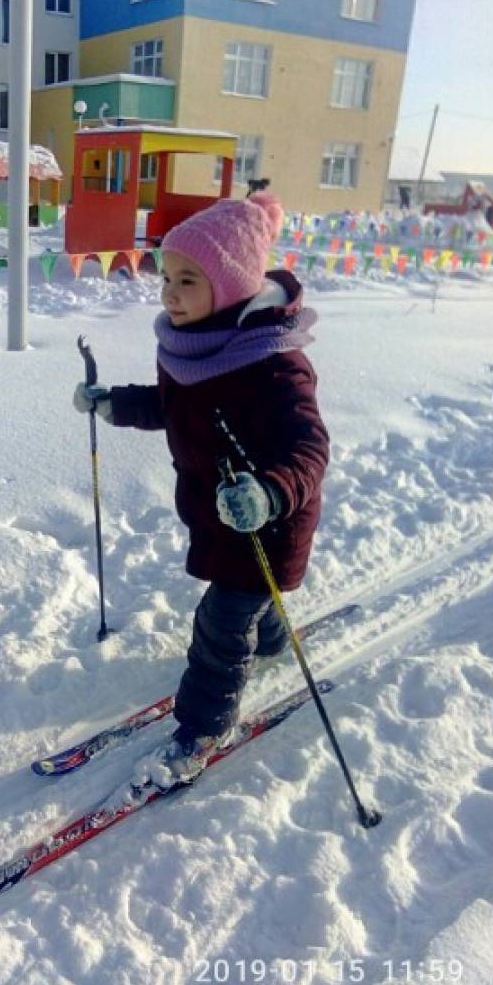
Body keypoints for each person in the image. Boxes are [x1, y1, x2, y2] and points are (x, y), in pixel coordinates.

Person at [73, 192, 329, 787]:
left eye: (188, 279)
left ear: (233, 285)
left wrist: (269, 492)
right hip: (219, 513)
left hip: (269, 519)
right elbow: (173, 405)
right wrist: (114, 403)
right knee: (248, 599)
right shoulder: (193, 346)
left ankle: (205, 727)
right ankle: (267, 640)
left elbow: (310, 448)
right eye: (166, 276)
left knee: (220, 621)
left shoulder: (272, 362)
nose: (169, 292)